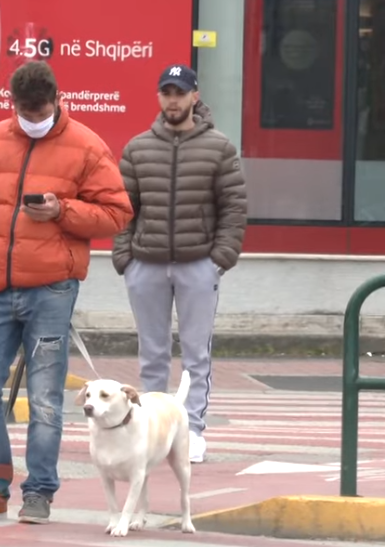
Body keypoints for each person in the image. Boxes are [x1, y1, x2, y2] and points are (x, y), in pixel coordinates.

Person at [0, 60, 134, 524]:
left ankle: (39, 492)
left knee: (45, 398)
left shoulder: (87, 145)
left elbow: (116, 213)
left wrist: (62, 211)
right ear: (13, 104)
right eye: (24, 112)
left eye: (39, 111)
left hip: (51, 289)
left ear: (55, 99)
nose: (31, 118)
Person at [111, 64, 248, 464]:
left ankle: (192, 431)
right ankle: (153, 431)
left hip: (197, 264)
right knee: (151, 353)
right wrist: (125, 257)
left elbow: (234, 208)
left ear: (194, 96)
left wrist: (219, 260)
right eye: (166, 92)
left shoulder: (219, 147)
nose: (173, 100)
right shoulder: (137, 148)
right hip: (146, 264)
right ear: (159, 97)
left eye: (180, 92)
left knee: (195, 354)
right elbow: (124, 209)